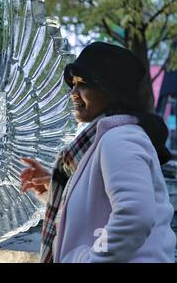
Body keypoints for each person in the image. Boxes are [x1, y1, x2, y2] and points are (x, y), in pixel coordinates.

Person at [20, 42, 176, 263]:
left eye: (82, 84)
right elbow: (100, 211)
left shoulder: (119, 139)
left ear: (110, 89)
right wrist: (57, 190)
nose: (73, 92)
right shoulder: (107, 139)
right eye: (72, 84)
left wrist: (90, 259)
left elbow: (134, 217)